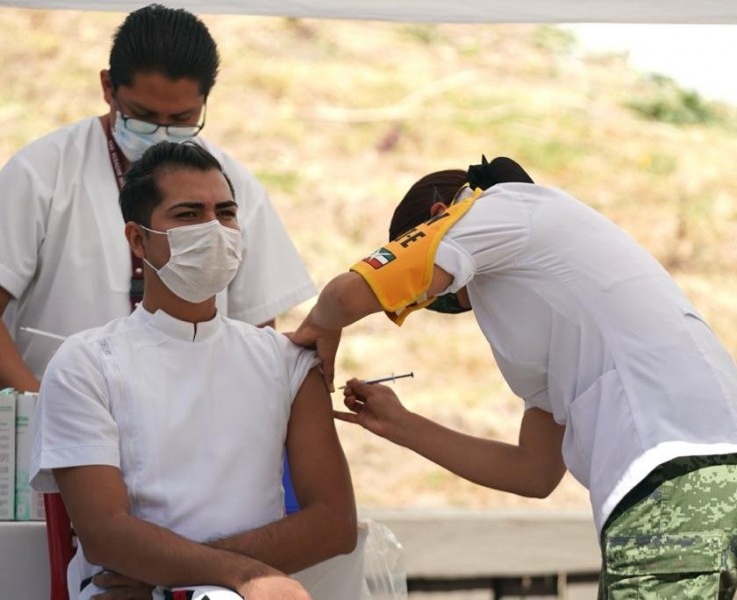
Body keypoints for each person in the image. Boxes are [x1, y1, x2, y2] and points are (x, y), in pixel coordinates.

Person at [289, 156, 737, 598]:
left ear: (437, 218)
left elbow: (348, 296)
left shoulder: (496, 210)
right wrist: (401, 426)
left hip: (669, 476)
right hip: (705, 473)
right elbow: (535, 472)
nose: (439, 296)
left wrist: (317, 328)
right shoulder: (546, 281)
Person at [30, 141, 359, 600]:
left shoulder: (287, 362)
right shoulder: (85, 363)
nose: (213, 229)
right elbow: (105, 532)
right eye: (188, 215)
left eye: (225, 213)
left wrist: (182, 575)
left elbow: (334, 524)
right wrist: (244, 575)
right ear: (138, 240)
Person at [0, 3, 315, 393]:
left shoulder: (231, 187)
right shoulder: (44, 172)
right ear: (108, 88)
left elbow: (255, 327)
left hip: (191, 424)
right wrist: (43, 416)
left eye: (182, 119)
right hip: (62, 420)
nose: (162, 131)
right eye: (143, 116)